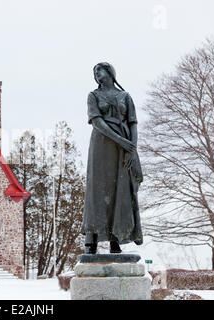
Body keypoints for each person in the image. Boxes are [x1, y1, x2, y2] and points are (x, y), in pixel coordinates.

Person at [82, 62, 144, 254]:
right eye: (94, 72)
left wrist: (131, 149)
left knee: (121, 191)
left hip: (123, 148)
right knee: (97, 191)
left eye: (99, 70)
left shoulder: (125, 96)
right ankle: (90, 239)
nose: (96, 74)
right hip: (102, 146)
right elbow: (97, 122)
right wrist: (120, 140)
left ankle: (116, 239)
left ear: (109, 72)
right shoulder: (93, 96)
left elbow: (133, 123)